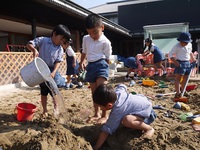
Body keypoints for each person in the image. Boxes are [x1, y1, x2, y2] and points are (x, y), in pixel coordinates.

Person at [93, 84, 156, 150]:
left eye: (100, 107)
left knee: (127, 120)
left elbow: (106, 131)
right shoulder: (117, 92)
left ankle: (149, 129)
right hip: (145, 102)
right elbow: (122, 85)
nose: (100, 108)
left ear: (109, 105)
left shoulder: (118, 110)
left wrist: (96, 147)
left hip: (148, 114)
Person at [26, 24, 71, 117]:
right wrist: (34, 50)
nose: (61, 41)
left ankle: (56, 108)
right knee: (43, 91)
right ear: (54, 34)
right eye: (61, 38)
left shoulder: (60, 49)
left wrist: (54, 72)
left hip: (51, 71)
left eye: (64, 40)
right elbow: (29, 44)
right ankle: (45, 110)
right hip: (41, 69)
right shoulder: (43, 40)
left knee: (54, 91)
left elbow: (58, 61)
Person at [79, 13, 112, 124]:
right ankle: (96, 113)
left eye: (95, 32)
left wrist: (105, 69)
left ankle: (104, 115)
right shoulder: (85, 39)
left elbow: (107, 58)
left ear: (102, 28)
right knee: (94, 92)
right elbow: (84, 51)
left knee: (102, 91)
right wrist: (82, 62)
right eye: (89, 33)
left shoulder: (106, 42)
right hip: (91, 66)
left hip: (101, 64)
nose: (92, 35)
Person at [168, 32, 196, 98]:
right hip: (180, 63)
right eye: (183, 42)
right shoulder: (177, 46)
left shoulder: (189, 45)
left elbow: (190, 53)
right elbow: (170, 55)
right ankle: (178, 93)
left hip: (187, 63)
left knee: (185, 79)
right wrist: (175, 62)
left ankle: (183, 91)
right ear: (180, 41)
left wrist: (193, 59)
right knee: (178, 78)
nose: (185, 44)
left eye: (186, 42)